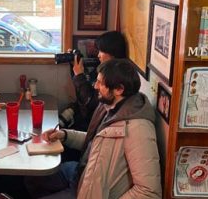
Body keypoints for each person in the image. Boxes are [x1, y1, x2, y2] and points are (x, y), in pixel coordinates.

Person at [27, 59, 161, 198]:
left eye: (100, 83)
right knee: (31, 178)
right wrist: (64, 135)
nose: (95, 86)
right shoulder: (111, 107)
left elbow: (148, 192)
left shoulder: (138, 129)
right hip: (81, 173)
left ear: (119, 89)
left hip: (92, 190)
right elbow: (98, 141)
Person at [64, 31, 127, 131]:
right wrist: (75, 68)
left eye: (101, 51)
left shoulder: (117, 76)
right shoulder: (102, 69)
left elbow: (91, 103)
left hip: (93, 126)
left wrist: (79, 75)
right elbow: (85, 94)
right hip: (86, 121)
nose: (98, 55)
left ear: (113, 53)